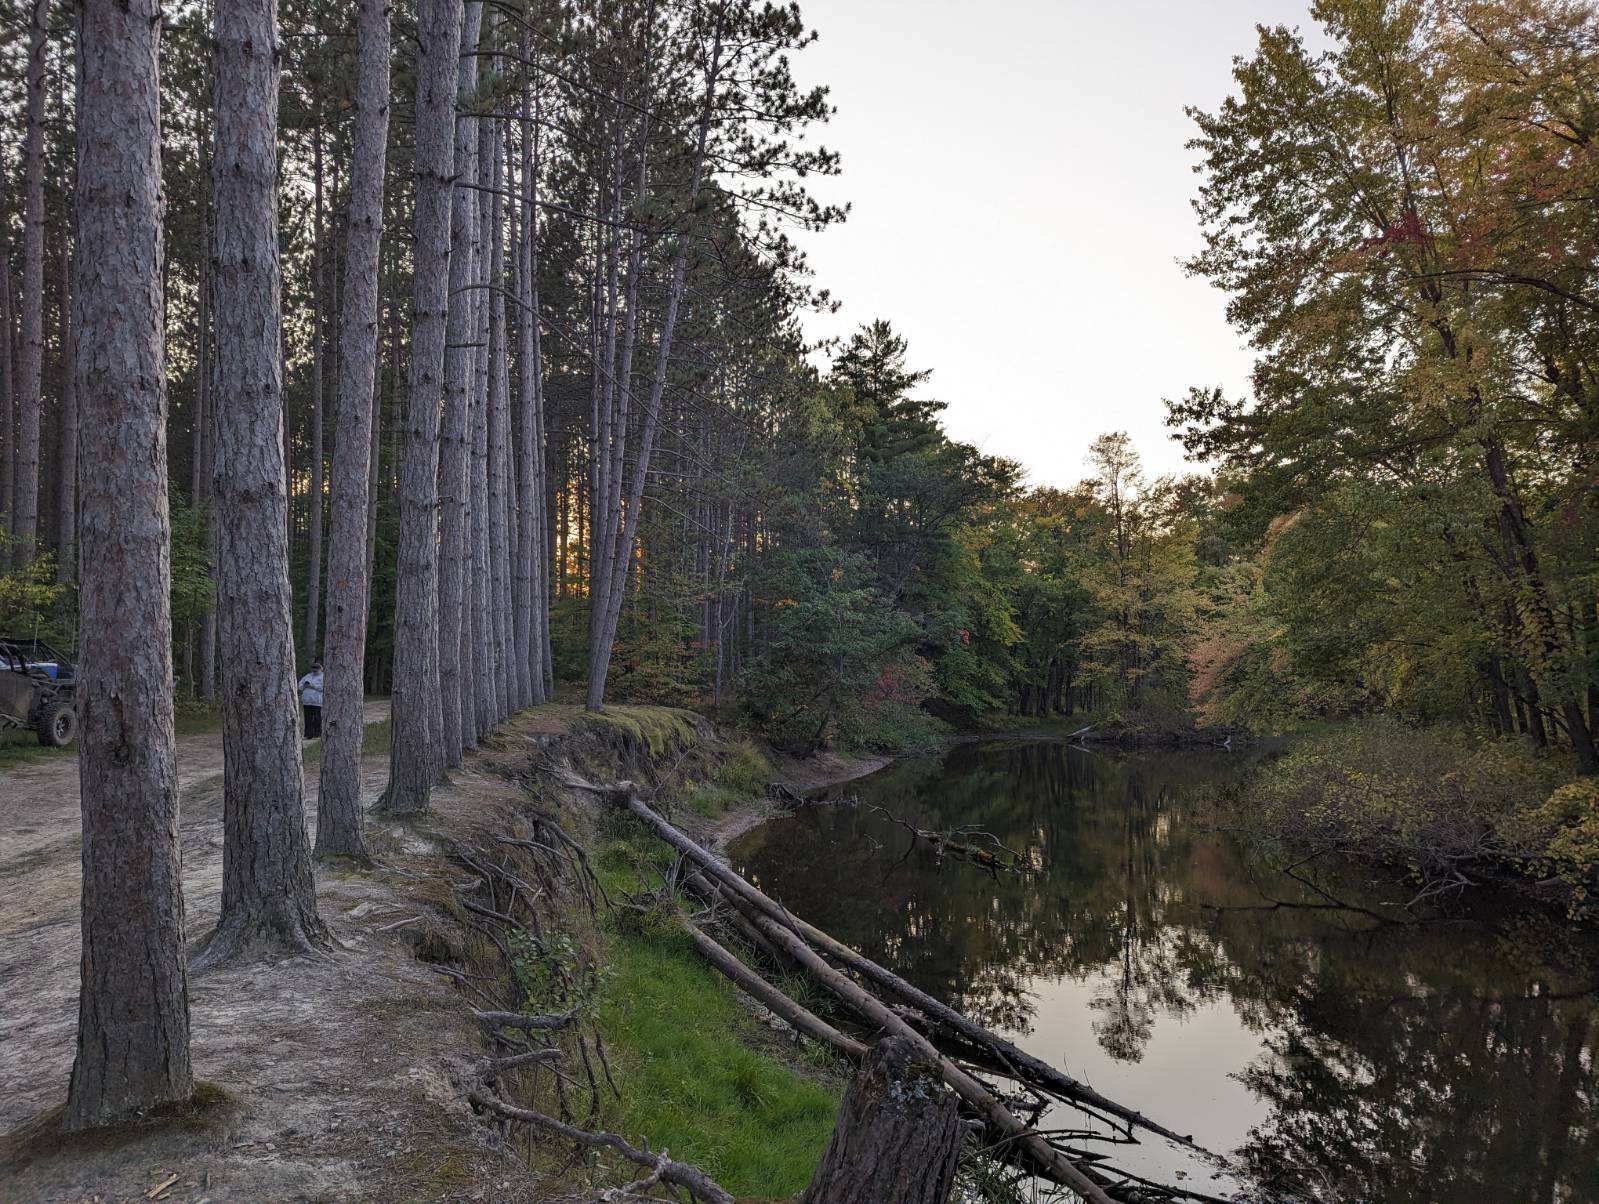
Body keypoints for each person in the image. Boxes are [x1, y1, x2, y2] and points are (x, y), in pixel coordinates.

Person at [298, 662, 324, 739]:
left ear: (320, 669)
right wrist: (304, 685)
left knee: (317, 718)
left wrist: (312, 686)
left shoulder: (323, 677)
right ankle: (308, 734)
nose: (314, 670)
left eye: (316, 668)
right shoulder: (307, 676)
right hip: (307, 701)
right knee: (308, 719)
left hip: (317, 702)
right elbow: (300, 686)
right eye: (313, 668)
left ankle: (317, 734)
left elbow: (323, 687)